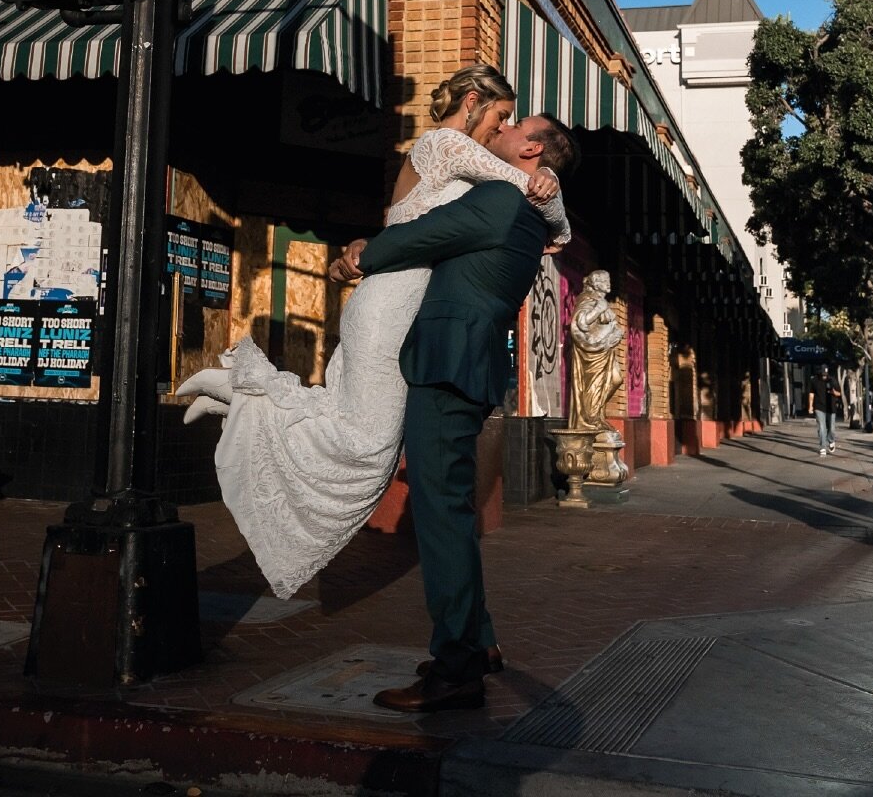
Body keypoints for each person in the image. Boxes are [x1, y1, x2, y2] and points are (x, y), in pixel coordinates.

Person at [177, 66, 571, 600]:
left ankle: (242, 395)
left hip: (396, 301)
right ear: (473, 101)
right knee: (369, 443)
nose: (500, 128)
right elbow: (531, 196)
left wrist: (549, 198)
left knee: (356, 426)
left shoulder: (460, 159)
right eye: (501, 116)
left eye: (509, 122)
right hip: (391, 303)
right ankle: (242, 390)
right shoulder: (448, 145)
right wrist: (547, 191)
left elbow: (509, 215)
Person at [330, 113, 581, 713]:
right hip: (471, 366)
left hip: (446, 366)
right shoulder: (525, 213)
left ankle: (456, 669)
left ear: (530, 147)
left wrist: (358, 255)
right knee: (454, 514)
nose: (501, 129)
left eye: (515, 124)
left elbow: (414, 238)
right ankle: (481, 642)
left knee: (440, 519)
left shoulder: (498, 199)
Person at [567, 269, 623, 432]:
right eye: (605, 280)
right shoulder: (588, 299)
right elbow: (580, 323)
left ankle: (596, 415)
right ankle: (590, 418)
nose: (609, 283)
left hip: (604, 349)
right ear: (597, 283)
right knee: (594, 385)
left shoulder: (600, 300)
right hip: (591, 352)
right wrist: (599, 309)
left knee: (615, 379)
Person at [807, 363, 841, 456]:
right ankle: (822, 446)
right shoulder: (814, 380)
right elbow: (811, 394)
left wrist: (834, 392)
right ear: (820, 373)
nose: (824, 377)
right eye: (823, 375)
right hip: (819, 407)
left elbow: (839, 393)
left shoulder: (832, 380)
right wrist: (810, 406)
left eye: (825, 375)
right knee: (822, 427)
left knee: (832, 428)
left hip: (831, 408)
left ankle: (831, 440)